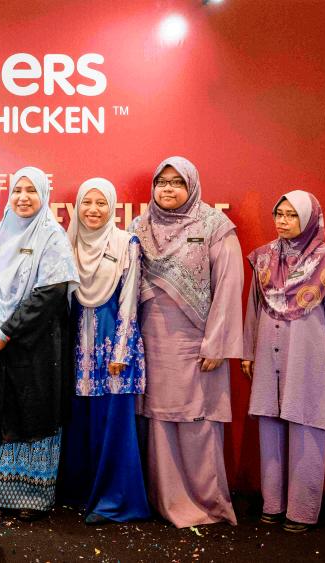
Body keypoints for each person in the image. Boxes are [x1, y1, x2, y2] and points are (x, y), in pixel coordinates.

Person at [129, 156, 243, 528]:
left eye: (178, 182)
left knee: (198, 420)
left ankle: (207, 504)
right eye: (162, 182)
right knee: (158, 420)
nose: (168, 189)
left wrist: (217, 344)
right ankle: (166, 501)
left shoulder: (215, 226)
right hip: (153, 341)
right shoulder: (140, 226)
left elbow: (228, 286)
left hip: (197, 343)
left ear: (191, 186)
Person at [241, 190, 325, 533]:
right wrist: (248, 351)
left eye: (292, 215)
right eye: (279, 214)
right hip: (268, 350)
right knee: (270, 425)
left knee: (306, 425)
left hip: (308, 354)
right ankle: (273, 505)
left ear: (310, 219)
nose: (283, 222)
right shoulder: (263, 258)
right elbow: (253, 310)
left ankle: (300, 512)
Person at [0, 166, 79, 521]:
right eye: (17, 190)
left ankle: (33, 497)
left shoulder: (52, 236)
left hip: (36, 345)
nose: (23, 197)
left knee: (34, 411)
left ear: (43, 196)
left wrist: (9, 331)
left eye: (31, 191)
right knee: (1, 409)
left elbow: (50, 294)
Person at [60, 178, 150, 524]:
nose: (93, 210)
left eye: (101, 203)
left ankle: (115, 501)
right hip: (77, 346)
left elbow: (130, 298)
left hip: (113, 345)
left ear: (112, 206)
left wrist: (121, 351)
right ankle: (83, 493)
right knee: (82, 421)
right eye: (87, 203)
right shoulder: (69, 242)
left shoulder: (126, 242)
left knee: (113, 424)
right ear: (77, 206)